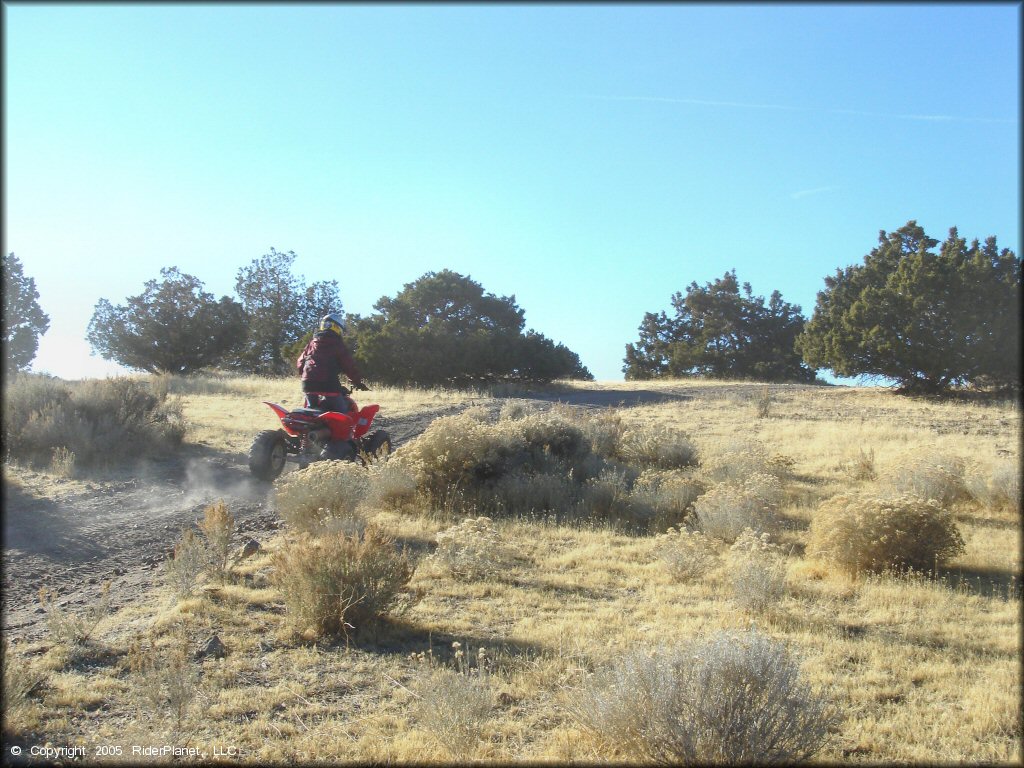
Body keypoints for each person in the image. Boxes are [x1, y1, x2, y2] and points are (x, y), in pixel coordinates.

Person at [296, 312, 368, 413]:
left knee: (311, 411)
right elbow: (348, 366)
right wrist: (357, 382)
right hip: (328, 384)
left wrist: (306, 375)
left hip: (307, 383)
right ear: (337, 328)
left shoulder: (312, 343)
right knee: (343, 413)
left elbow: (300, 362)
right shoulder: (337, 344)